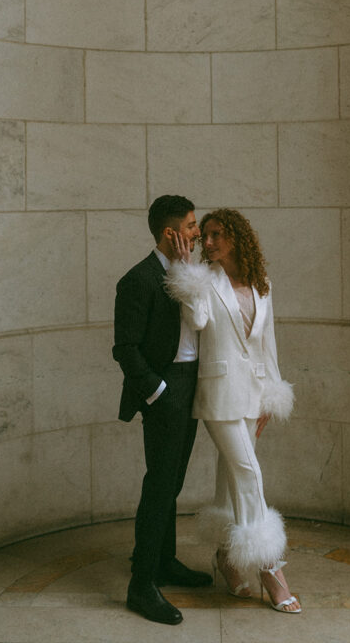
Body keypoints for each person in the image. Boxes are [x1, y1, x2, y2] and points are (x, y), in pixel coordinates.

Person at [166, 207, 301, 614]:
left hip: (252, 394)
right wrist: (185, 270)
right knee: (248, 473)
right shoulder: (205, 282)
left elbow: (267, 344)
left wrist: (272, 395)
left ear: (238, 237)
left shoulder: (262, 284)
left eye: (217, 234)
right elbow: (200, 321)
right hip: (218, 395)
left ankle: (226, 556)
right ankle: (270, 569)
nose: (208, 242)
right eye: (204, 235)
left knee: (230, 476)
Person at [113, 195, 213, 626]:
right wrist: (157, 392)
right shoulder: (138, 279)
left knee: (173, 482)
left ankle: (164, 562)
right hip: (166, 389)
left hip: (191, 385)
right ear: (170, 232)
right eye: (191, 226)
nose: (197, 232)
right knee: (159, 486)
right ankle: (141, 585)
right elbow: (125, 348)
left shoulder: (192, 272)